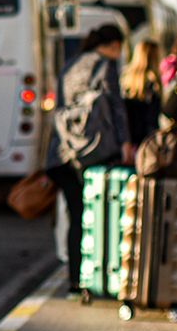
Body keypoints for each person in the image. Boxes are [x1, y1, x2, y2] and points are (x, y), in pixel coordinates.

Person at [46, 22, 132, 290]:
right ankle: (100, 277)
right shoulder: (106, 66)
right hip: (94, 153)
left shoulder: (70, 66)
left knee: (75, 215)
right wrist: (126, 142)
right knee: (97, 215)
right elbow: (116, 107)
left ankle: (75, 279)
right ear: (114, 45)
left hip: (61, 153)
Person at [121, 38, 161, 148]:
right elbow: (152, 117)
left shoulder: (126, 79)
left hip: (128, 137)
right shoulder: (153, 82)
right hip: (145, 139)